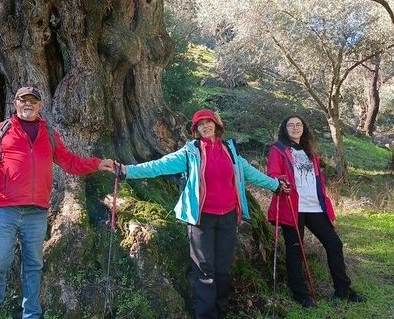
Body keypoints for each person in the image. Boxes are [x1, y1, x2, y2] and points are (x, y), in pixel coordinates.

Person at [116, 109, 287, 319]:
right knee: (205, 271)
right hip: (201, 219)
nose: (205, 126)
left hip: (228, 217)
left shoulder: (230, 150)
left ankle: (221, 312)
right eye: (200, 124)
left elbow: (250, 174)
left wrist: (275, 185)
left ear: (217, 125)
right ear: (195, 130)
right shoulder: (190, 152)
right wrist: (127, 171)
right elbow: (159, 166)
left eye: (209, 122)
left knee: (223, 269)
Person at [0, 86, 114, 319]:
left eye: (33, 101)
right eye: (23, 100)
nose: (28, 104)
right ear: (15, 103)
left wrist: (96, 163)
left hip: (37, 211)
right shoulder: (2, 130)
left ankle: (31, 313)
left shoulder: (50, 133)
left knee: (33, 264)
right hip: (6, 207)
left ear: (40, 106)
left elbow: (69, 162)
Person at [267, 115, 365, 307]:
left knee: (334, 244)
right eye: (290, 125)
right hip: (292, 206)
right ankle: (301, 294)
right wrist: (280, 181)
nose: (295, 128)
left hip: (314, 206)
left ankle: (343, 290)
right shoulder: (278, 149)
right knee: (295, 250)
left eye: (299, 125)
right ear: (284, 129)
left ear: (304, 128)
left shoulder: (309, 151)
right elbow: (273, 173)